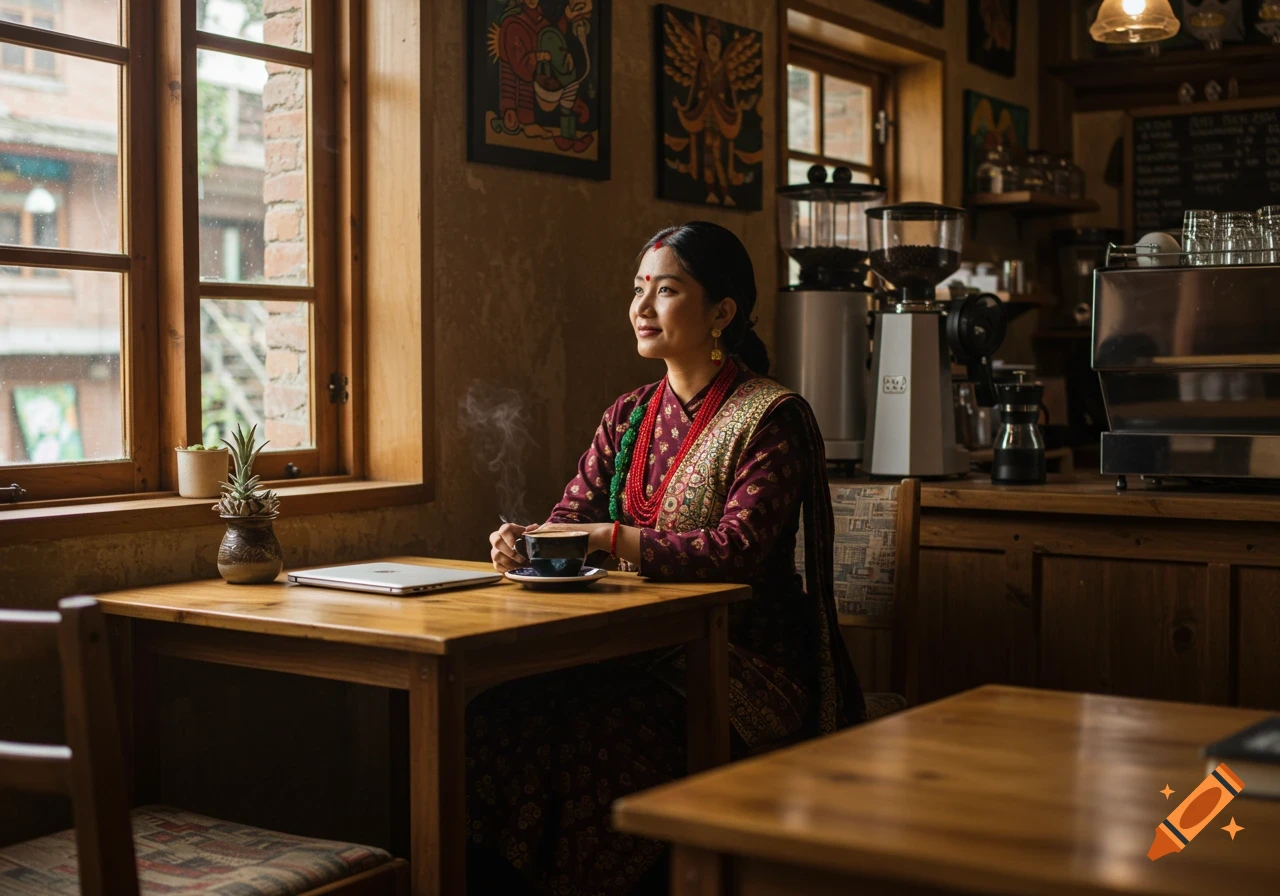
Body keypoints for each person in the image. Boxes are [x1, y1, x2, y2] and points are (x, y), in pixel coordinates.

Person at [472, 221, 864, 896]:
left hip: (737, 662)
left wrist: (608, 539)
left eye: (667, 289)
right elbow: (573, 516)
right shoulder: (627, 414)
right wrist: (527, 541)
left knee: (599, 744)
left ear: (721, 313)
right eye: (638, 289)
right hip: (629, 650)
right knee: (498, 716)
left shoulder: (771, 416)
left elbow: (736, 550)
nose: (642, 307)